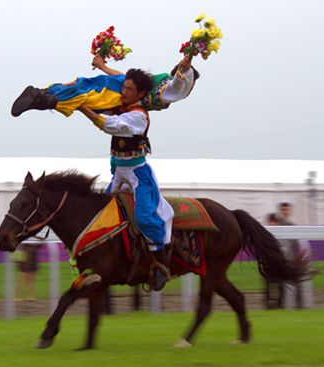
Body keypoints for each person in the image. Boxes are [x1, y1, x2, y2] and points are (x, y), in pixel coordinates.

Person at [76, 68, 173, 291]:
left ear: (140, 94)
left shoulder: (138, 116)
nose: (125, 91)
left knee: (144, 216)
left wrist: (81, 107)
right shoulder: (120, 106)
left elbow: (110, 126)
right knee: (101, 214)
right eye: (125, 87)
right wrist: (99, 68)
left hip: (138, 174)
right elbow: (114, 84)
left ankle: (161, 265)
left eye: (130, 89)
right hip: (118, 172)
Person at [11, 53, 198, 117]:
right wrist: (187, 72)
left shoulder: (161, 78)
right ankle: (41, 99)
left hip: (120, 83)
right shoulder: (168, 92)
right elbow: (180, 88)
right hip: (118, 95)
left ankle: (41, 92)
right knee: (83, 97)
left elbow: (124, 77)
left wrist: (103, 67)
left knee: (80, 86)